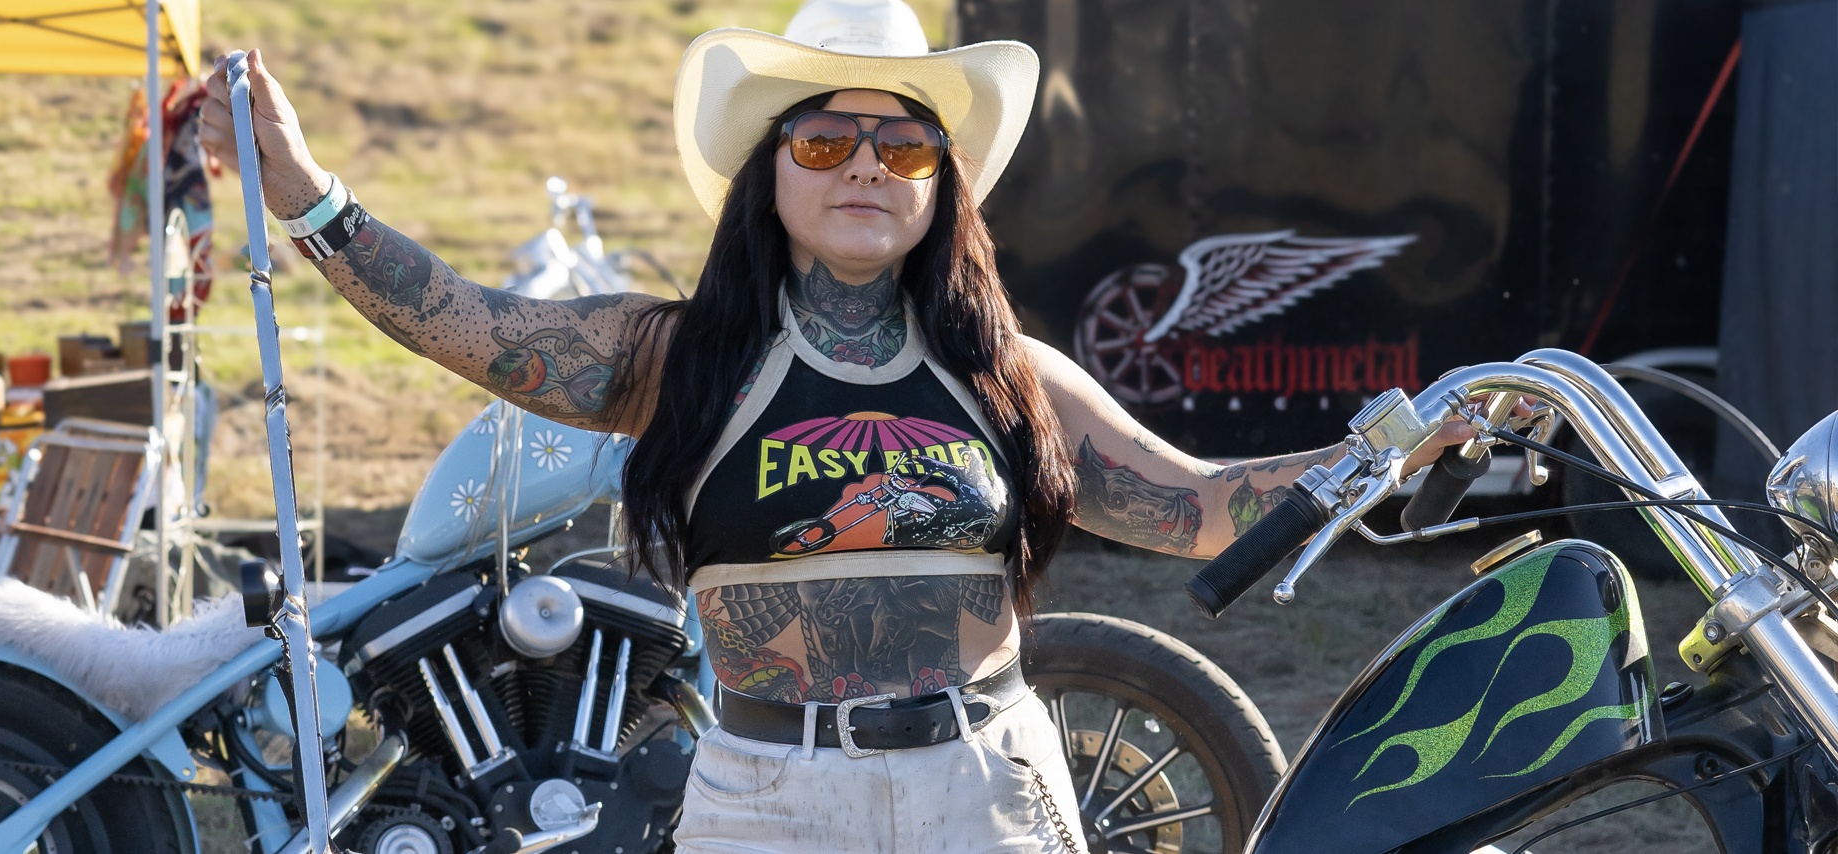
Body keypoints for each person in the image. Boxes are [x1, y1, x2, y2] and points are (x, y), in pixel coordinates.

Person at [201, 3, 1481, 850]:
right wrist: (312, 196)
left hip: (989, 792)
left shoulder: (1005, 370)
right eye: (825, 140)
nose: (866, 167)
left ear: (940, 188)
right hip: (769, 798)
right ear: (770, 172)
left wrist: (1397, 440)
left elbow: (1197, 504)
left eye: (903, 148)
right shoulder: (681, 355)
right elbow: (469, 325)